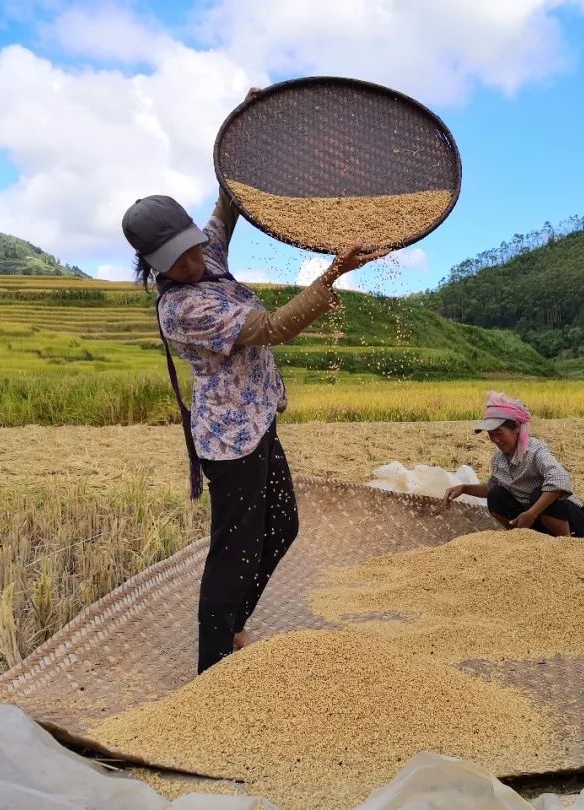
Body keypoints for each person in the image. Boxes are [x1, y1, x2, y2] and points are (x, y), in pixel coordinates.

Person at [121, 88, 388, 673]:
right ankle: (214, 668)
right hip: (230, 441)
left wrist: (243, 134)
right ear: (153, 265)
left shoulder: (206, 253)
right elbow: (272, 328)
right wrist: (334, 274)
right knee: (232, 552)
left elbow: (228, 207)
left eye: (191, 245)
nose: (192, 259)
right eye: (176, 257)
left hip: (258, 415)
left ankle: (235, 625)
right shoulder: (182, 309)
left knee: (283, 525)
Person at [443, 392, 584, 537]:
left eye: (499, 433)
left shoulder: (535, 451)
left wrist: (531, 514)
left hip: (571, 520)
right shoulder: (499, 459)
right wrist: (464, 488)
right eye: (491, 435)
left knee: (537, 494)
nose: (496, 440)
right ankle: (521, 538)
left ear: (517, 427)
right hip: (535, 519)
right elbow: (491, 487)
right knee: (496, 495)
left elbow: (560, 478)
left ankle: (566, 544)